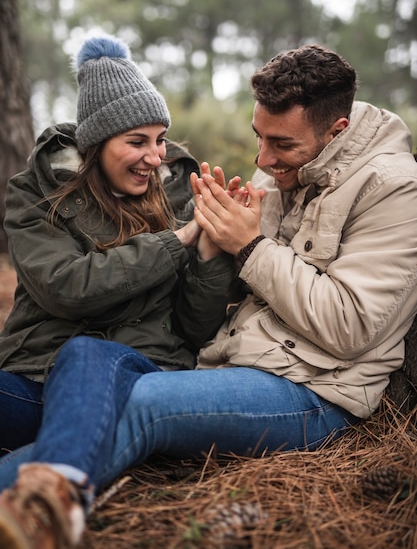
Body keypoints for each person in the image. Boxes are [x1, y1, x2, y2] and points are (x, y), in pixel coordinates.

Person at [1, 43, 417, 549]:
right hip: (229, 366)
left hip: (317, 386)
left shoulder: (395, 190)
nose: (263, 160)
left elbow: (350, 327)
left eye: (281, 144)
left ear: (337, 130)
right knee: (95, 377)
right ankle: (44, 502)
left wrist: (245, 245)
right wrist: (214, 250)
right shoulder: (280, 170)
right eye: (258, 138)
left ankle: (36, 515)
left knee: (134, 400)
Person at [0, 34, 236, 547]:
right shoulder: (35, 193)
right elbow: (65, 287)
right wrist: (176, 243)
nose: (155, 157)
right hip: (34, 381)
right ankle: (62, 459)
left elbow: (196, 329)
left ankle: (49, 505)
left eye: (160, 139)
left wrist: (211, 254)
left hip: (127, 375)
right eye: (137, 141)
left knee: (88, 354)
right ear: (96, 143)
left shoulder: (181, 197)